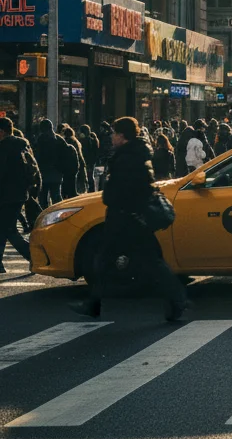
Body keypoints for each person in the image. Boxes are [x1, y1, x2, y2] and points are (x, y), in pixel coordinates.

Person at [71, 117, 188, 322]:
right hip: (133, 216)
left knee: (110, 260)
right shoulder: (138, 154)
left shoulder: (127, 158)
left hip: (125, 218)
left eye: (115, 133)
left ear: (122, 136)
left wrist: (111, 196)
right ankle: (176, 301)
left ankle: (177, 300)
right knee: (144, 261)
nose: (112, 137)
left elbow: (123, 190)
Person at [0, 117, 37, 270]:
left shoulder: (3, 147)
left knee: (9, 230)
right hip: (20, 193)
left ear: (1, 132)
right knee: (4, 228)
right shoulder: (23, 144)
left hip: (5, 194)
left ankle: (33, 256)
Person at [33, 119, 70, 207]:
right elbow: (66, 155)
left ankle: (45, 217)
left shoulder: (40, 139)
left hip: (43, 173)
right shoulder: (59, 139)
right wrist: (62, 169)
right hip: (57, 173)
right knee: (56, 197)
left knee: (43, 199)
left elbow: (37, 156)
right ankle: (59, 216)